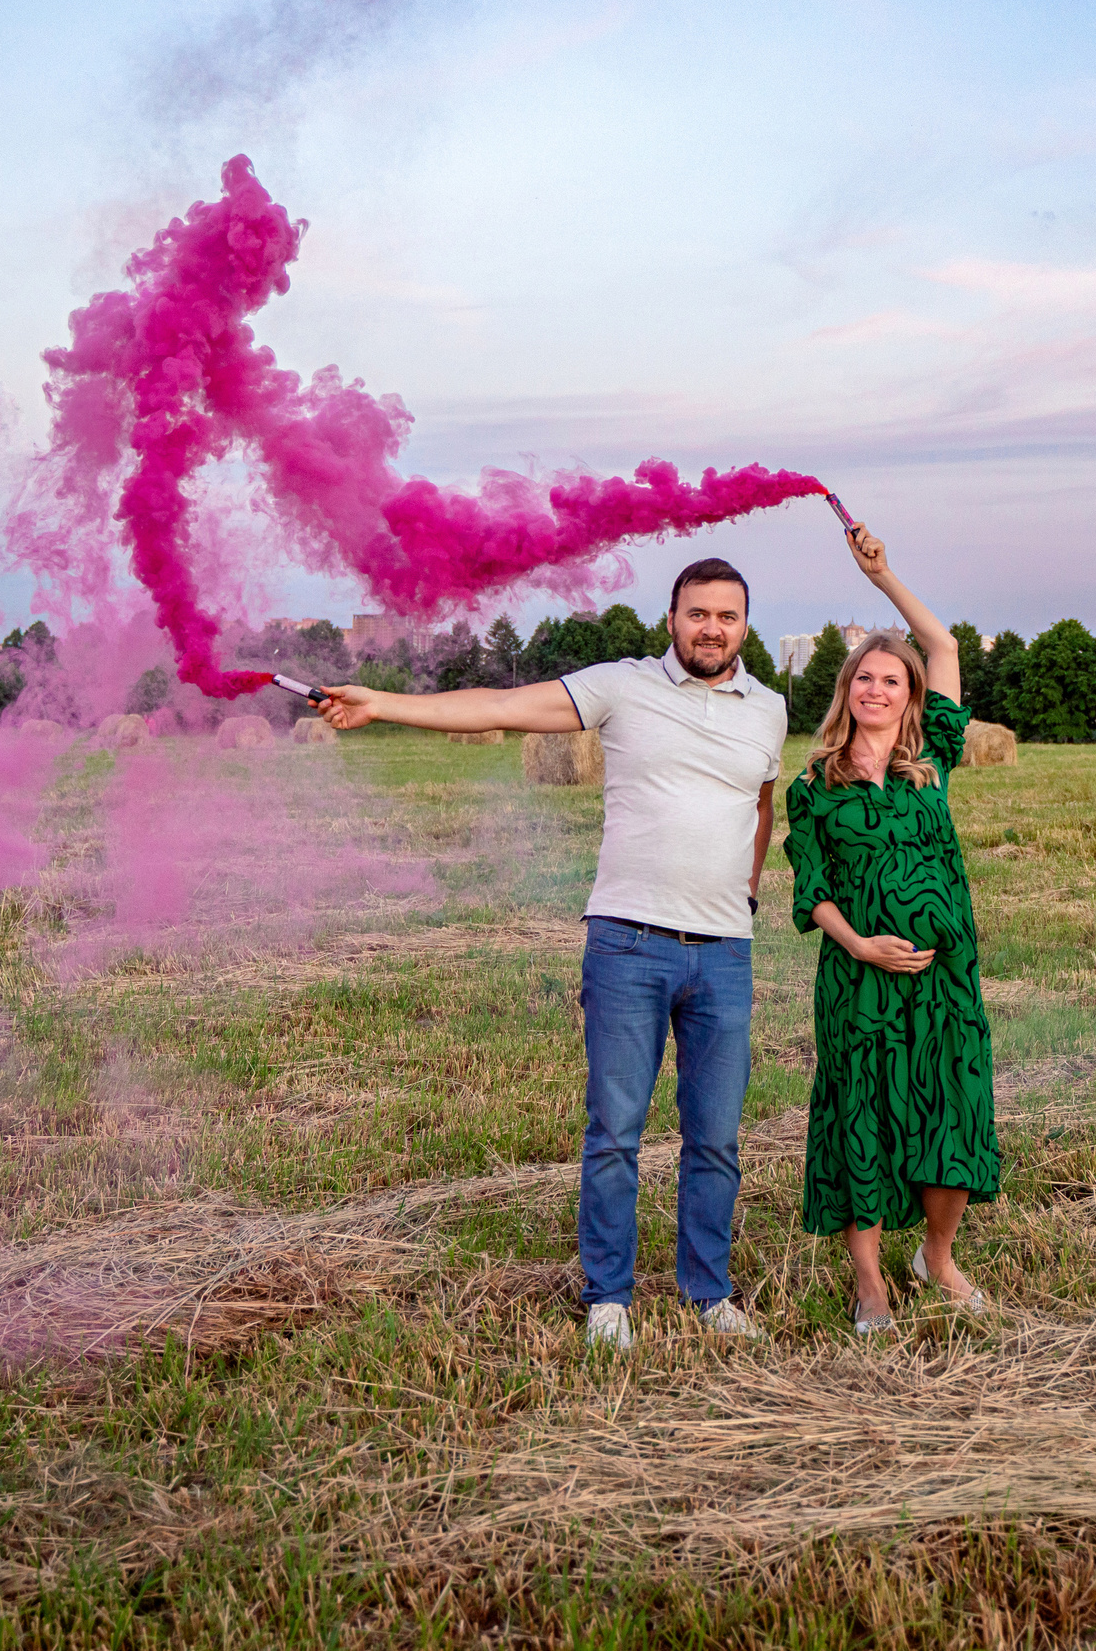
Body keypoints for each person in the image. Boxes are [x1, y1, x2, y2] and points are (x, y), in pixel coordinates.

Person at [316, 559, 788, 1350]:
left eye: (728, 616)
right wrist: (385, 704)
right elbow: (502, 705)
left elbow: (762, 803)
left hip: (725, 955)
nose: (712, 627)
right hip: (628, 943)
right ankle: (609, 1296)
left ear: (746, 625)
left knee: (717, 1136)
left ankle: (707, 1291)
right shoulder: (622, 686)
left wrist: (745, 893)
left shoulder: (768, 709)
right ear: (670, 618)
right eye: (698, 612)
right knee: (615, 1131)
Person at [783, 523, 998, 1333]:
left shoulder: (933, 761)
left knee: (952, 1108)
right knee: (861, 1116)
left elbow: (939, 641)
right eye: (864, 678)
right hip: (858, 981)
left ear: (910, 697)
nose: (877, 689)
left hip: (945, 980)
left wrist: (884, 578)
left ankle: (935, 1257)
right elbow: (816, 891)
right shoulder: (815, 786)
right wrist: (858, 944)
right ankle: (870, 1280)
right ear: (846, 691)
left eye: (891, 681)